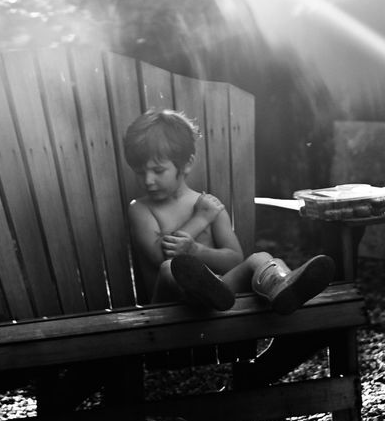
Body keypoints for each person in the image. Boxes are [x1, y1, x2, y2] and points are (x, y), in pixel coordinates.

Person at [122, 108, 336, 313]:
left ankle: (283, 286)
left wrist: (196, 251)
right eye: (140, 172)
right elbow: (159, 257)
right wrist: (200, 219)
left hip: (222, 293)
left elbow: (234, 259)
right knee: (170, 268)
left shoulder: (209, 206)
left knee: (259, 259)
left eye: (158, 171)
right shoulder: (141, 209)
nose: (148, 180)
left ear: (187, 164)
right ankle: (206, 292)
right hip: (169, 306)